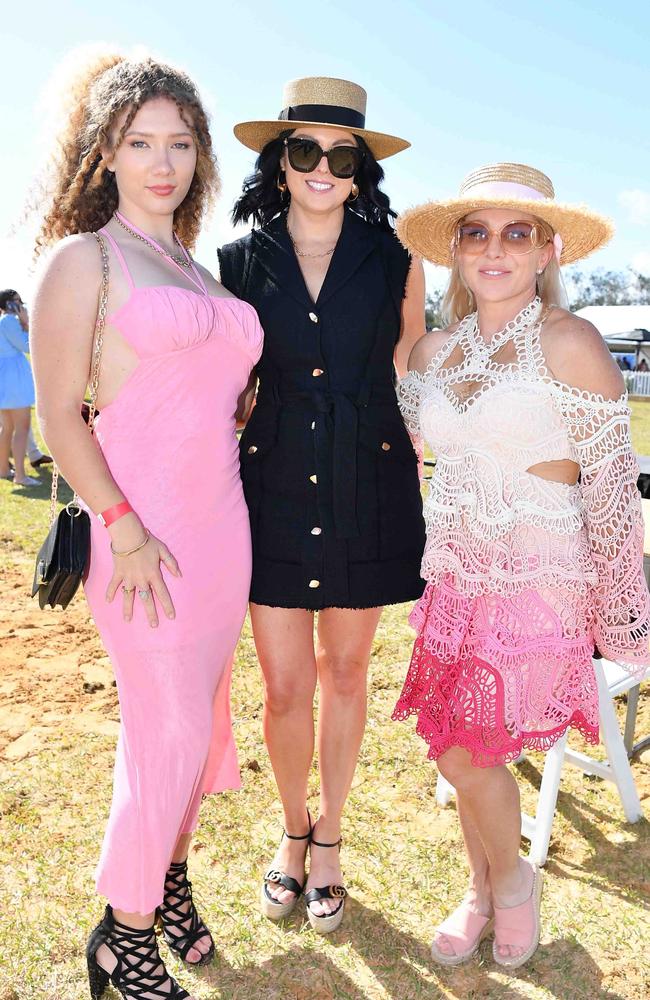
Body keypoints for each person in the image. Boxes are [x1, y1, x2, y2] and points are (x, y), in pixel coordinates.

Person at [30, 52, 262, 1000]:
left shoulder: (197, 272)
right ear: (106, 154)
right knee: (162, 732)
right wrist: (121, 524)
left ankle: (169, 884)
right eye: (139, 143)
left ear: (199, 157)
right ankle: (121, 938)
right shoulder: (82, 260)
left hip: (222, 532)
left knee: (198, 725)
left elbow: (204, 396)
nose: (161, 162)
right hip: (140, 545)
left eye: (179, 143)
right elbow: (58, 419)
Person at [393, 163, 650, 968]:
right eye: (477, 232)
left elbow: (611, 497)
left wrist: (620, 619)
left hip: (539, 586)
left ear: (547, 250)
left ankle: (508, 882)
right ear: (458, 252)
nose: (494, 249)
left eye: (517, 233)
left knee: (474, 753)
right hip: (456, 581)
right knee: (449, 747)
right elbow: (406, 429)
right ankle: (481, 886)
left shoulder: (567, 341)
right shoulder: (436, 352)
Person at [218, 76, 426, 933]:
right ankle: (291, 832)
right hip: (269, 485)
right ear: (279, 163)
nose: (323, 168)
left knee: (346, 675)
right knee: (281, 688)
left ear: (359, 169)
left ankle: (332, 838)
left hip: (368, 483)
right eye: (304, 150)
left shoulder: (398, 262)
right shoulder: (234, 264)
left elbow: (414, 376)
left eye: (343, 155)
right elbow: (222, 390)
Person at [0, 289, 41, 486]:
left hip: (7, 379)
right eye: (16, 301)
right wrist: (26, 322)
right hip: (13, 381)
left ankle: (3, 469)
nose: (21, 305)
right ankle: (20, 475)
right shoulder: (8, 321)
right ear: (7, 304)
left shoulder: (3, 321)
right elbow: (28, 345)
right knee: (21, 428)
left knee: (7, 427)